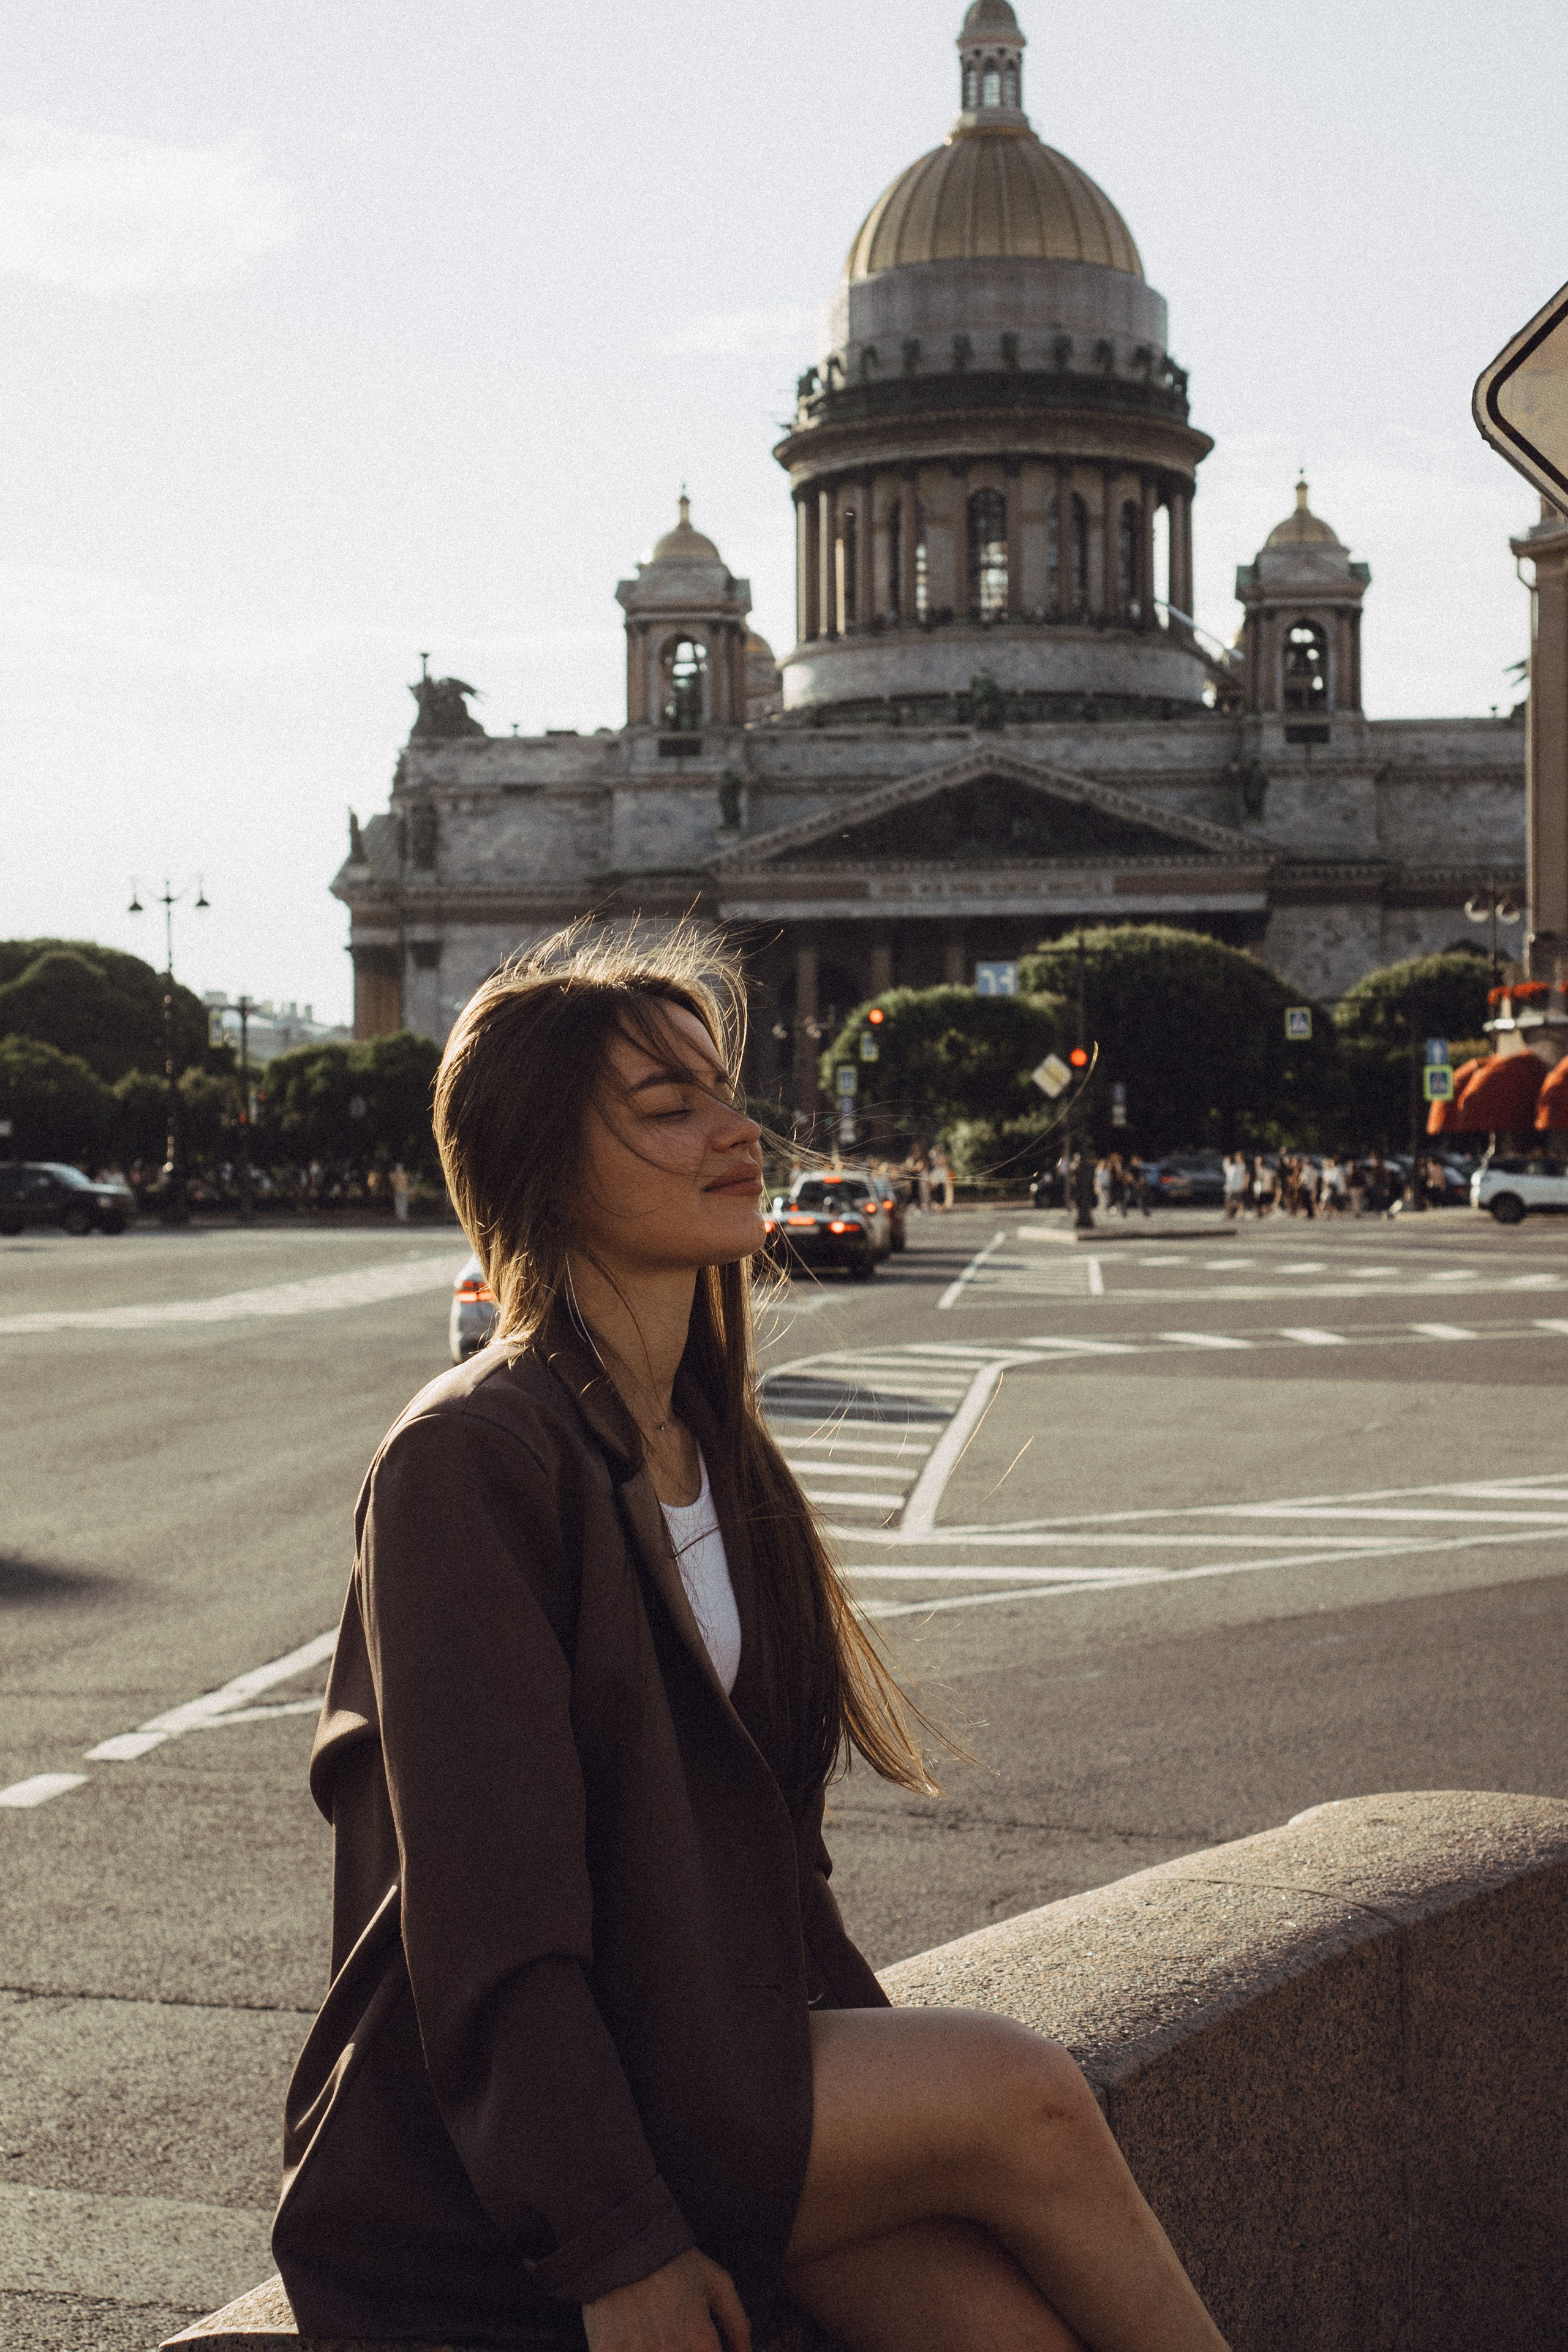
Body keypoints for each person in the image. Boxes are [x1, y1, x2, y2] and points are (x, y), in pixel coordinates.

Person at [273, 925, 1229, 2352]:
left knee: (996, 2328)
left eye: (723, 1092)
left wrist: (859, 2067)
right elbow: (489, 1909)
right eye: (668, 1111)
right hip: (493, 2147)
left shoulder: (713, 1444)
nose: (738, 1132)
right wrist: (614, 2244)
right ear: (541, 1162)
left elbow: (768, 1869)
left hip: (693, 2065)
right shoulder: (469, 1455)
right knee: (1023, 2094)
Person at [1222, 1152, 1246, 1224]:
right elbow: (1225, 1168)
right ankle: (1229, 1214)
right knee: (1228, 1201)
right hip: (1230, 1187)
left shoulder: (1241, 1165)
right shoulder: (1231, 1165)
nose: (1237, 1159)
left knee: (1237, 1201)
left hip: (1237, 1187)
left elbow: (1242, 1176)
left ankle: (1241, 1212)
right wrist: (1227, 1159)